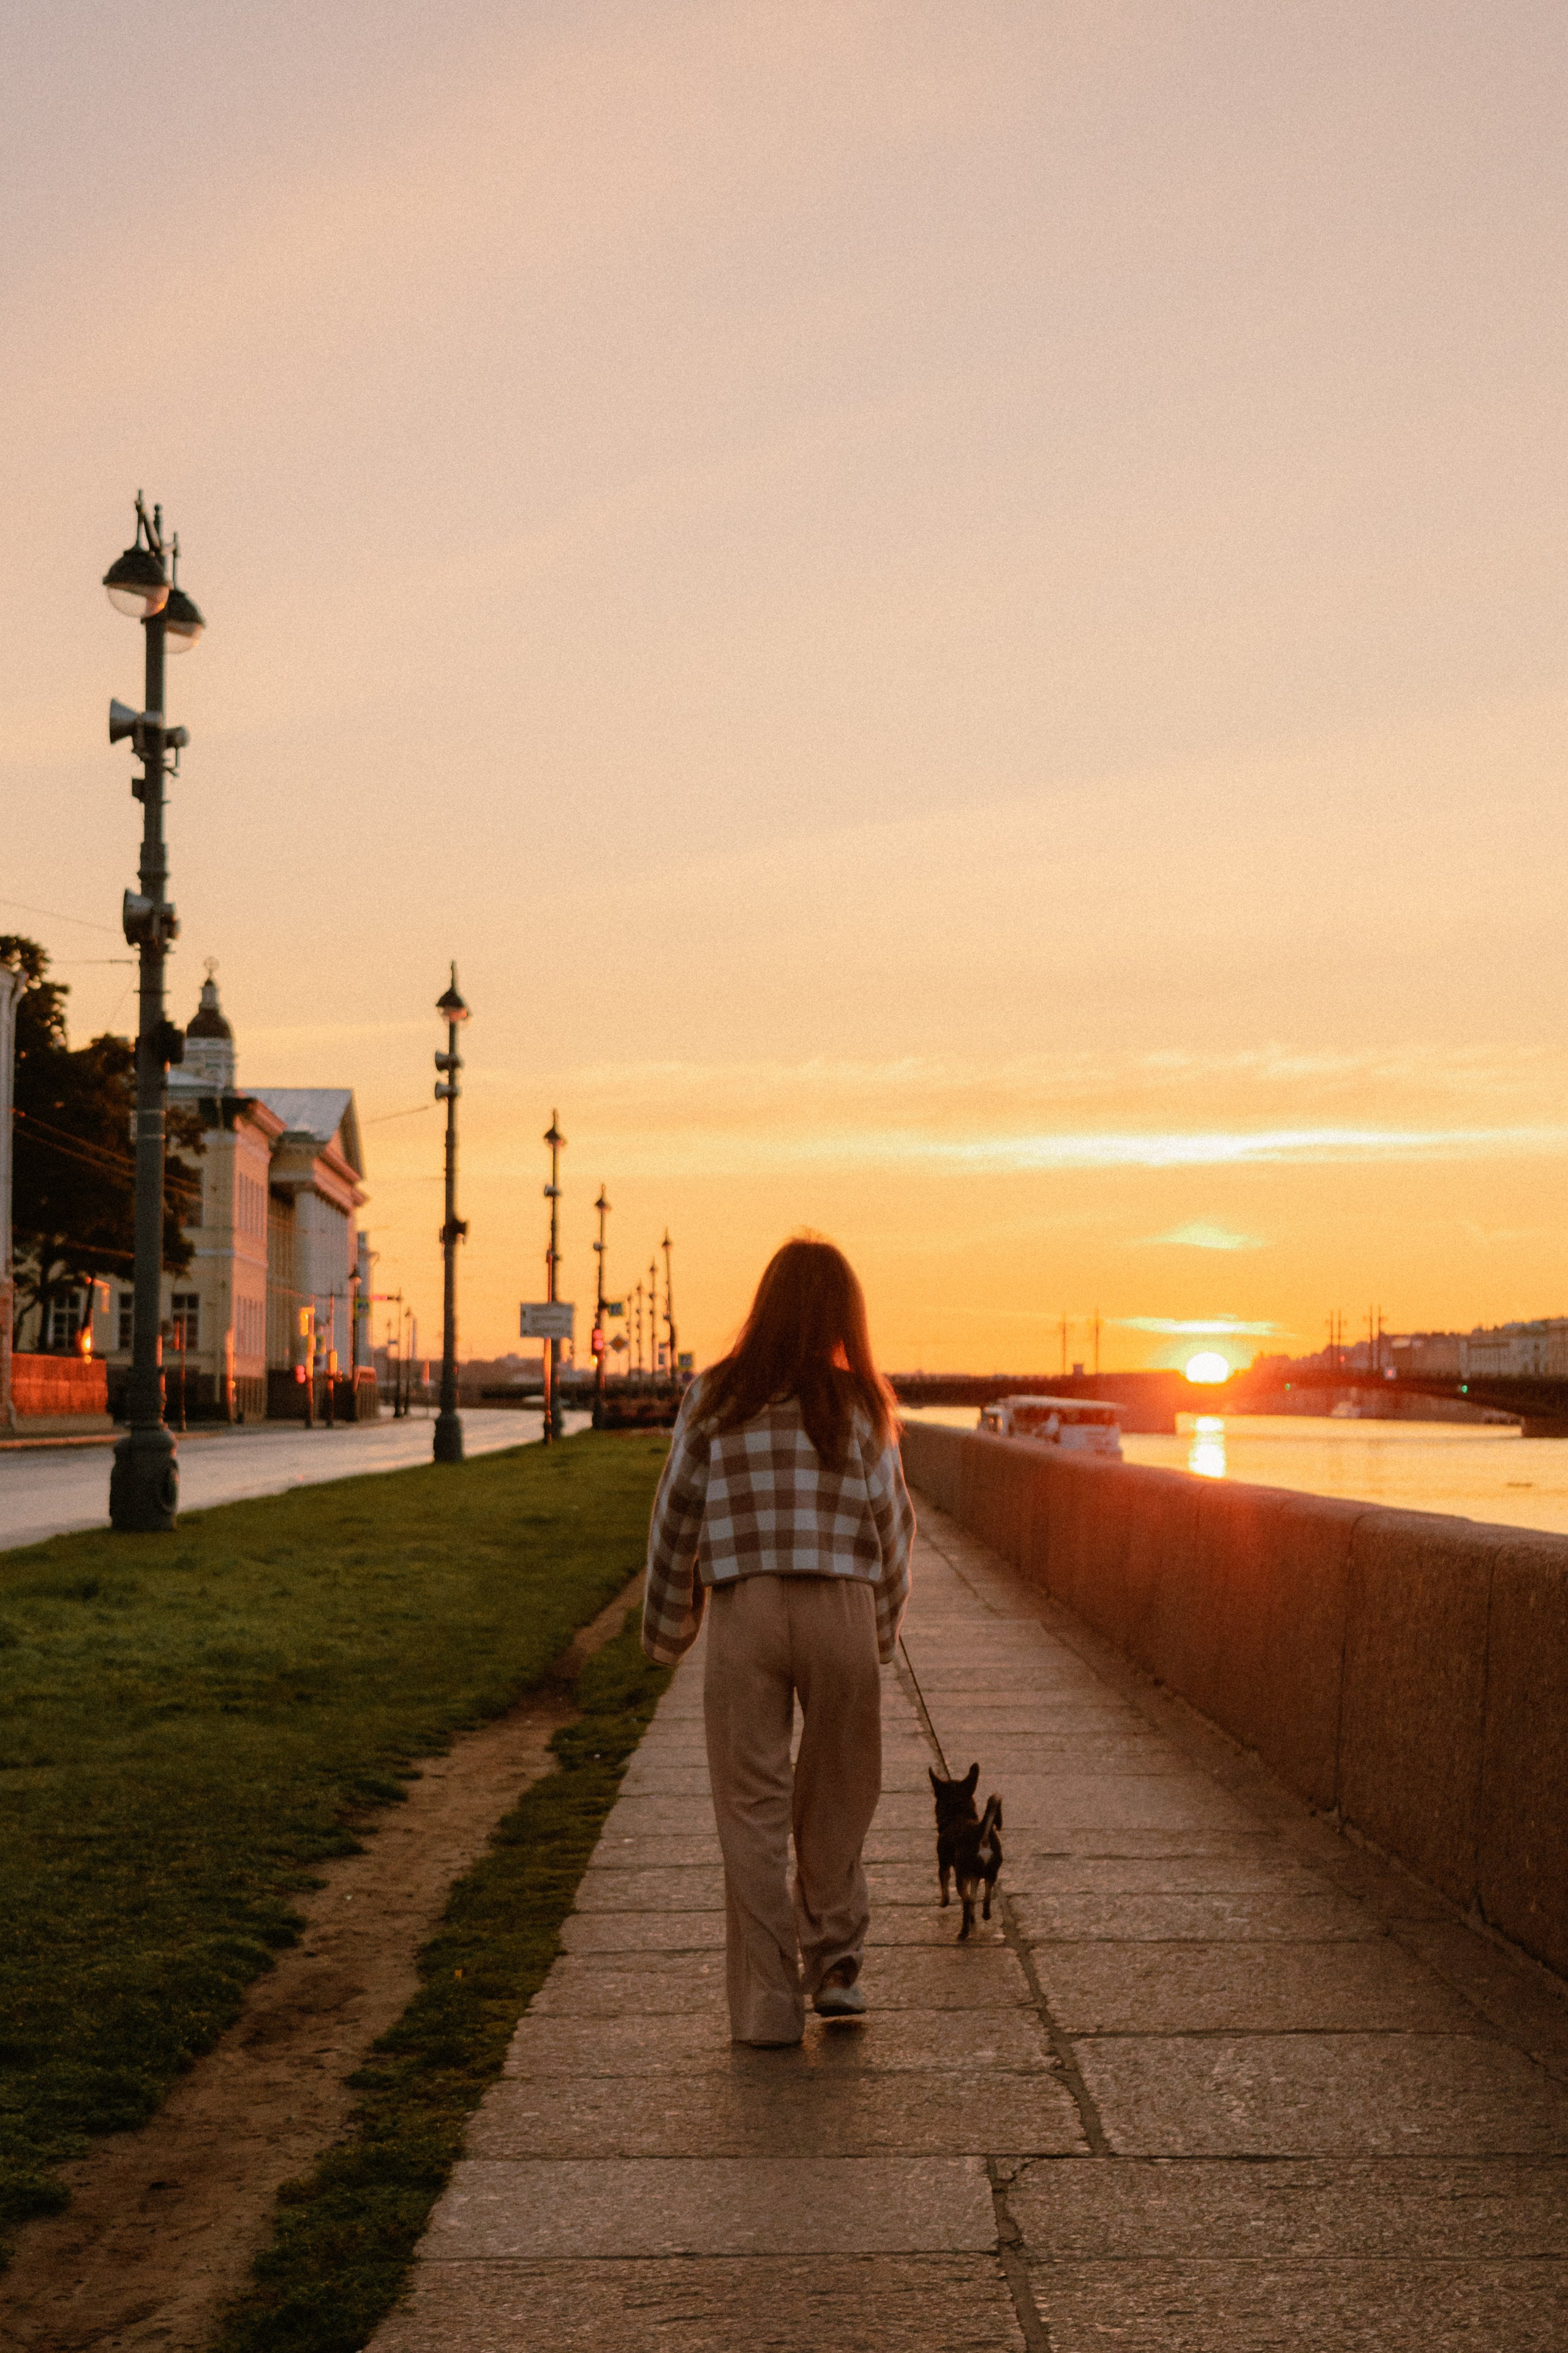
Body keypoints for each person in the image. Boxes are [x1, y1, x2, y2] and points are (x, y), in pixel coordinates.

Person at [643, 1235, 915, 2046]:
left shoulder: (715, 1396)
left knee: (751, 1812)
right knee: (837, 1795)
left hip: (746, 1608)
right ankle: (835, 1965)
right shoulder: (861, 1405)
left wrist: (668, 1627)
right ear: (844, 1317)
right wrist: (881, 1629)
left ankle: (766, 2005)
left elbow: (676, 1516)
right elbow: (893, 1529)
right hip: (839, 1606)